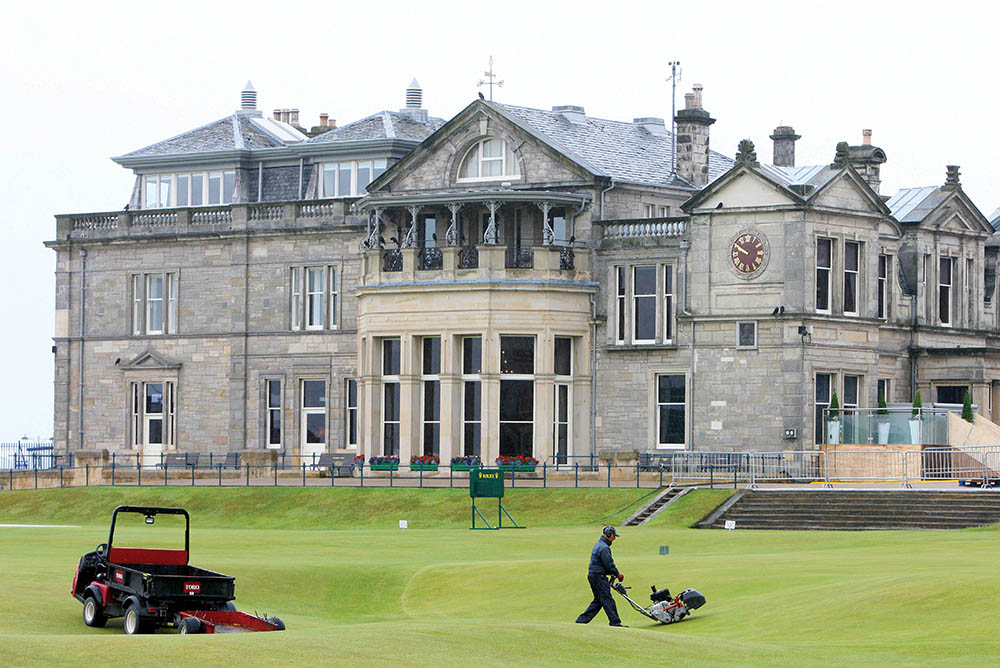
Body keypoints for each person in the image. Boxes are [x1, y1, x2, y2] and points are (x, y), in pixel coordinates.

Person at [575, 525, 626, 627]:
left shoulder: (599, 544)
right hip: (598, 577)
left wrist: (609, 573)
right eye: (613, 536)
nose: (614, 538)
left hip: (594, 575)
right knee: (607, 600)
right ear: (608, 534)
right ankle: (615, 623)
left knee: (599, 600)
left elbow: (600, 564)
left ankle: (581, 621)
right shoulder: (604, 548)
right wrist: (617, 574)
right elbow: (608, 564)